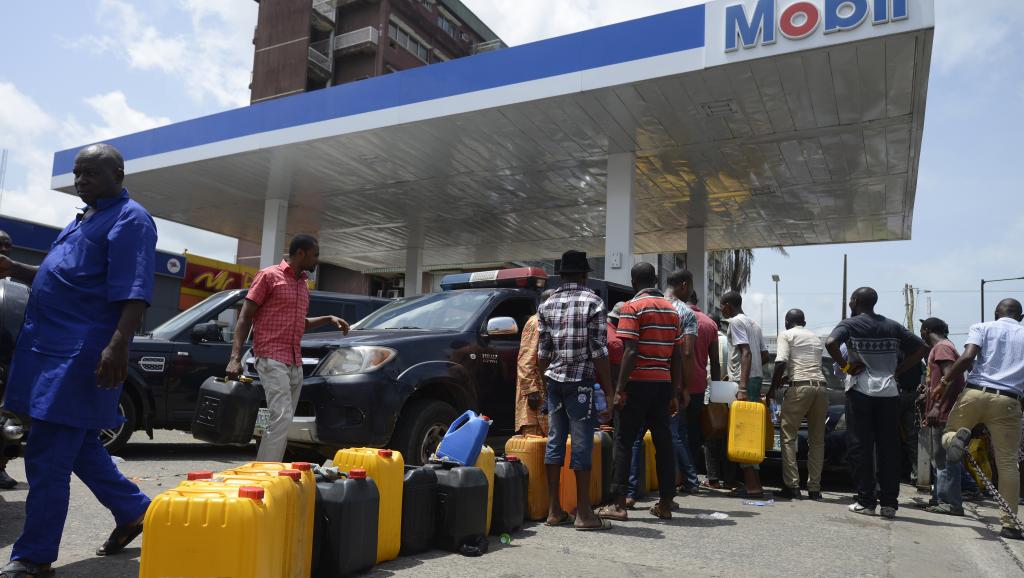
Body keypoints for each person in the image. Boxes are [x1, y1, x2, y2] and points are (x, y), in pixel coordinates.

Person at [0, 145, 156, 577]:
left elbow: (135, 289)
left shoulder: (131, 219)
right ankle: (133, 510)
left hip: (81, 354)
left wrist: (118, 344)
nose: (81, 180)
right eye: (77, 173)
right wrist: (15, 268)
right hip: (47, 350)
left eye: (90, 173)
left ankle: (33, 555)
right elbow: (61, 278)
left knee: (48, 452)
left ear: (118, 174)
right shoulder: (80, 219)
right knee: (81, 444)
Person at [225, 235, 349, 462]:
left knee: (284, 419)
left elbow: (301, 323)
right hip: (270, 357)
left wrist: (328, 318)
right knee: (281, 416)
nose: (317, 260)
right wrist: (234, 358)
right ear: (301, 253)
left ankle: (270, 468)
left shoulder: (302, 285)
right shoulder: (269, 276)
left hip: (294, 360)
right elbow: (244, 317)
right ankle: (266, 472)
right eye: (315, 255)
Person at [825, 287, 927, 520]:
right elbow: (921, 347)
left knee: (860, 446)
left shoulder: (850, 324)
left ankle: (866, 501)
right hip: (889, 393)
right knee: (889, 447)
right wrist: (897, 370)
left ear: (855, 301)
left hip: (860, 391)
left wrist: (846, 366)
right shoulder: (892, 326)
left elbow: (831, 343)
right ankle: (889, 504)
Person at [536, 250, 613, 531]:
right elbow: (600, 352)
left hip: (554, 380)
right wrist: (610, 390)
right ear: (584, 275)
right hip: (580, 382)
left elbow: (542, 352)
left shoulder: (547, 303)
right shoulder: (594, 302)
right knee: (581, 444)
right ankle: (583, 513)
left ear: (561, 274)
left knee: (555, 441)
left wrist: (546, 381)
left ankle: (554, 510)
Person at [598, 263, 681, 521]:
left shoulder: (631, 308)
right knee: (663, 443)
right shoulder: (673, 310)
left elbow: (630, 351)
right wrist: (675, 392)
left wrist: (619, 390)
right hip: (663, 383)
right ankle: (666, 503)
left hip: (636, 383)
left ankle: (619, 505)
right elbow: (677, 355)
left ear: (634, 282)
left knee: (623, 442)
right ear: (655, 279)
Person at [935, 298, 1024, 539]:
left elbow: (966, 358)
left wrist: (943, 383)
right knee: (1007, 463)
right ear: (1021, 317)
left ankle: (957, 437)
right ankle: (1010, 525)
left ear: (997, 313)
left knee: (947, 434)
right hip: (1009, 400)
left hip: (975, 393)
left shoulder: (982, 327)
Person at [769, 309, 828, 501]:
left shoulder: (786, 334)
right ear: (804, 321)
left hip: (799, 389)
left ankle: (792, 486)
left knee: (788, 437)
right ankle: (814, 488)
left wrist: (773, 388)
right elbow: (808, 366)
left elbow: (780, 362)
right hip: (820, 388)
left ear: (787, 322)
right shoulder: (816, 337)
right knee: (817, 441)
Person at [719, 291, 769, 498]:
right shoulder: (754, 324)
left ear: (728, 305)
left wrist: (741, 385)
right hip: (752, 379)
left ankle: (752, 486)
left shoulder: (736, 323)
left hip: (744, 382)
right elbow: (763, 355)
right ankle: (752, 483)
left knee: (743, 433)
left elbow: (745, 352)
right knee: (750, 432)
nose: (721, 309)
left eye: (722, 306)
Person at [918, 317, 966, 516]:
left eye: (922, 329)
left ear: (927, 330)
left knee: (944, 460)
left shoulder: (941, 348)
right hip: (942, 409)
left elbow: (950, 376)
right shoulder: (946, 347)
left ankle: (950, 502)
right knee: (940, 459)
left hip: (944, 412)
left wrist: (937, 406)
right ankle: (940, 498)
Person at [514, 289, 556, 436]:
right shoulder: (535, 323)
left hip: (545, 389)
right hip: (535, 392)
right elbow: (526, 360)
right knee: (534, 440)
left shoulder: (547, 322)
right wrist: (532, 391)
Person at [0, 229, 19, 490]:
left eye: (7, 247)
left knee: (6, 421)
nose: (4, 250)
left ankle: (1, 468)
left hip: (7, 360)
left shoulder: (14, 283)